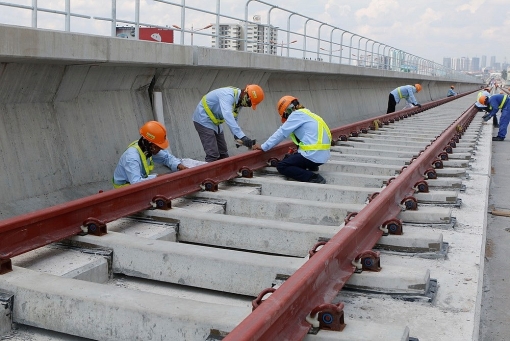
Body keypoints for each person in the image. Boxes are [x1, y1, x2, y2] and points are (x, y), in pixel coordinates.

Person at [252, 96, 331, 184]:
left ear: (286, 111)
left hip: (312, 156)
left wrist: (264, 146)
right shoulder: (308, 114)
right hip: (322, 156)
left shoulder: (296, 115)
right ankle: (312, 167)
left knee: (282, 166)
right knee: (293, 157)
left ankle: (313, 177)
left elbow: (281, 133)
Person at [192, 84, 265, 162]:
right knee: (213, 154)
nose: (249, 106)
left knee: (223, 153)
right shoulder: (228, 95)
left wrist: (237, 136)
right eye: (250, 103)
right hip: (203, 118)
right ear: (245, 94)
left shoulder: (239, 101)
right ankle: (207, 173)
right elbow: (228, 116)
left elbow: (234, 118)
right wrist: (242, 136)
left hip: (215, 122)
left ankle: (224, 172)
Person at [113, 121, 187, 188]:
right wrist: (157, 177)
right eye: (158, 146)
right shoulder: (132, 158)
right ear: (150, 144)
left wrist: (179, 165)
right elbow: (136, 182)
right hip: (123, 193)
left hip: (137, 186)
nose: (161, 149)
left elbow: (166, 157)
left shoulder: (146, 149)